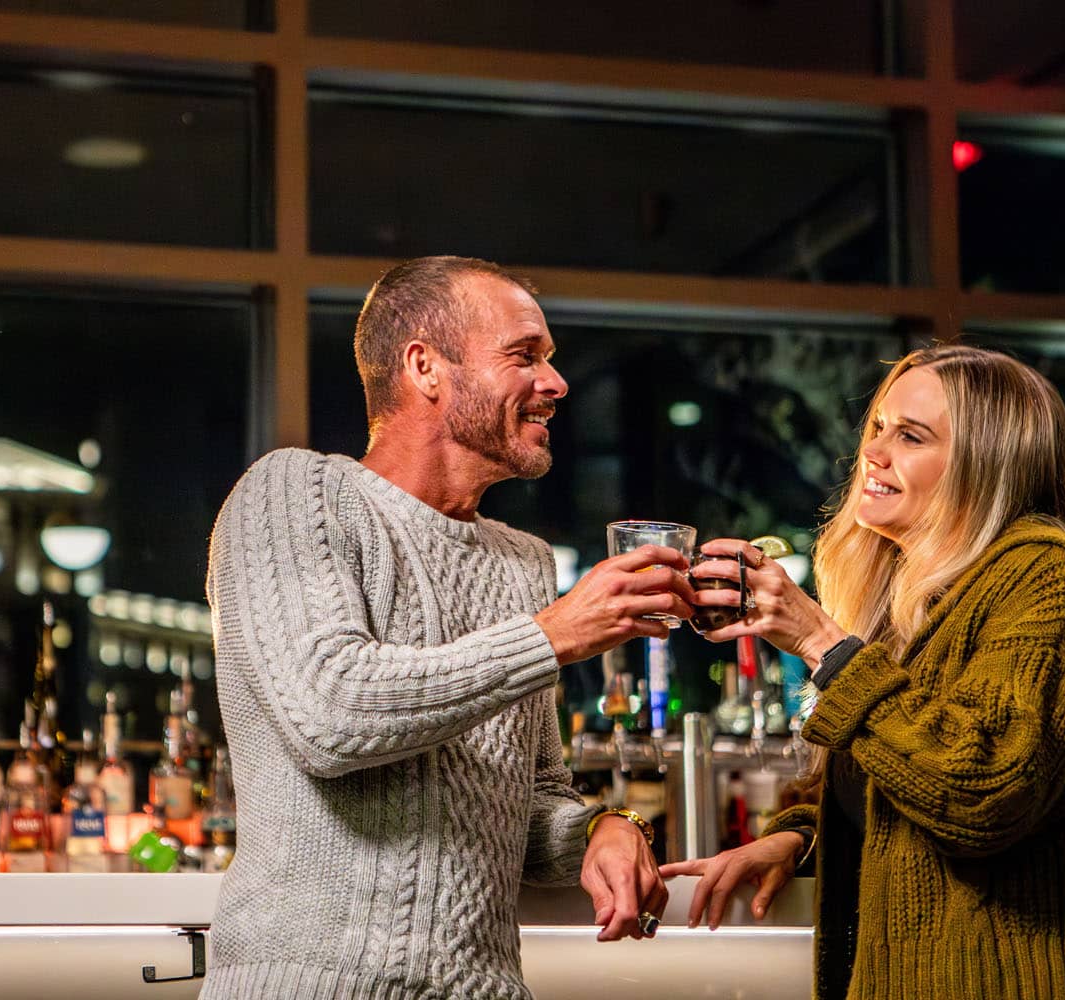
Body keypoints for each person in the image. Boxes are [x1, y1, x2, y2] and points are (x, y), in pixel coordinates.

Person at [202, 256, 695, 999]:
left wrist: (603, 828)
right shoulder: (292, 492)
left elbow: (523, 799)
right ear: (426, 367)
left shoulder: (522, 563)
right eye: (525, 355)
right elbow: (330, 714)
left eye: (551, 362)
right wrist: (552, 635)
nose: (556, 384)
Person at [664, 345, 1065, 1000]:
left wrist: (822, 643)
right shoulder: (918, 609)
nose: (876, 452)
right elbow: (905, 775)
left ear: (986, 465)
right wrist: (801, 837)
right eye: (878, 428)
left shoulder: (1043, 577)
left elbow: (982, 792)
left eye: (911, 436)